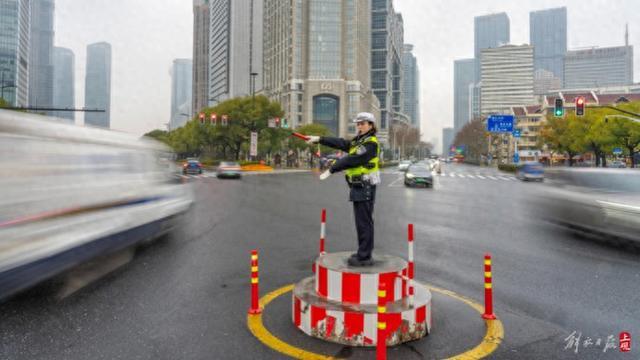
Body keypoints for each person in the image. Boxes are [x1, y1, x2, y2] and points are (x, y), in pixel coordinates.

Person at [306, 112, 381, 266]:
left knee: (364, 222)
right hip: (357, 185)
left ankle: (365, 256)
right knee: (361, 222)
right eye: (358, 123)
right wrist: (320, 139)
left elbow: (353, 159)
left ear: (371, 125)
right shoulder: (359, 141)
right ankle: (363, 252)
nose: (360, 126)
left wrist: (332, 169)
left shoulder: (370, 143)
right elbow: (341, 143)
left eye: (363, 123)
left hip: (365, 185)